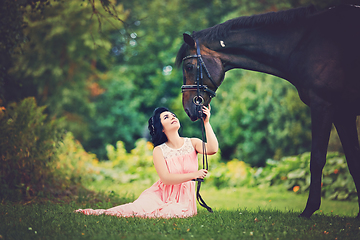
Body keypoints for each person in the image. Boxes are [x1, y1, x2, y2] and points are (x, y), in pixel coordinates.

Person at [75, 105, 218, 218]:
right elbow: (166, 179)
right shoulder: (159, 150)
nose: (172, 117)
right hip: (160, 194)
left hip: (183, 201)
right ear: (161, 128)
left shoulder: (192, 143)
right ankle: (99, 213)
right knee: (135, 209)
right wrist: (194, 174)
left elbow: (212, 149)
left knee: (169, 213)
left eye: (173, 115)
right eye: (166, 117)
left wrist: (206, 122)